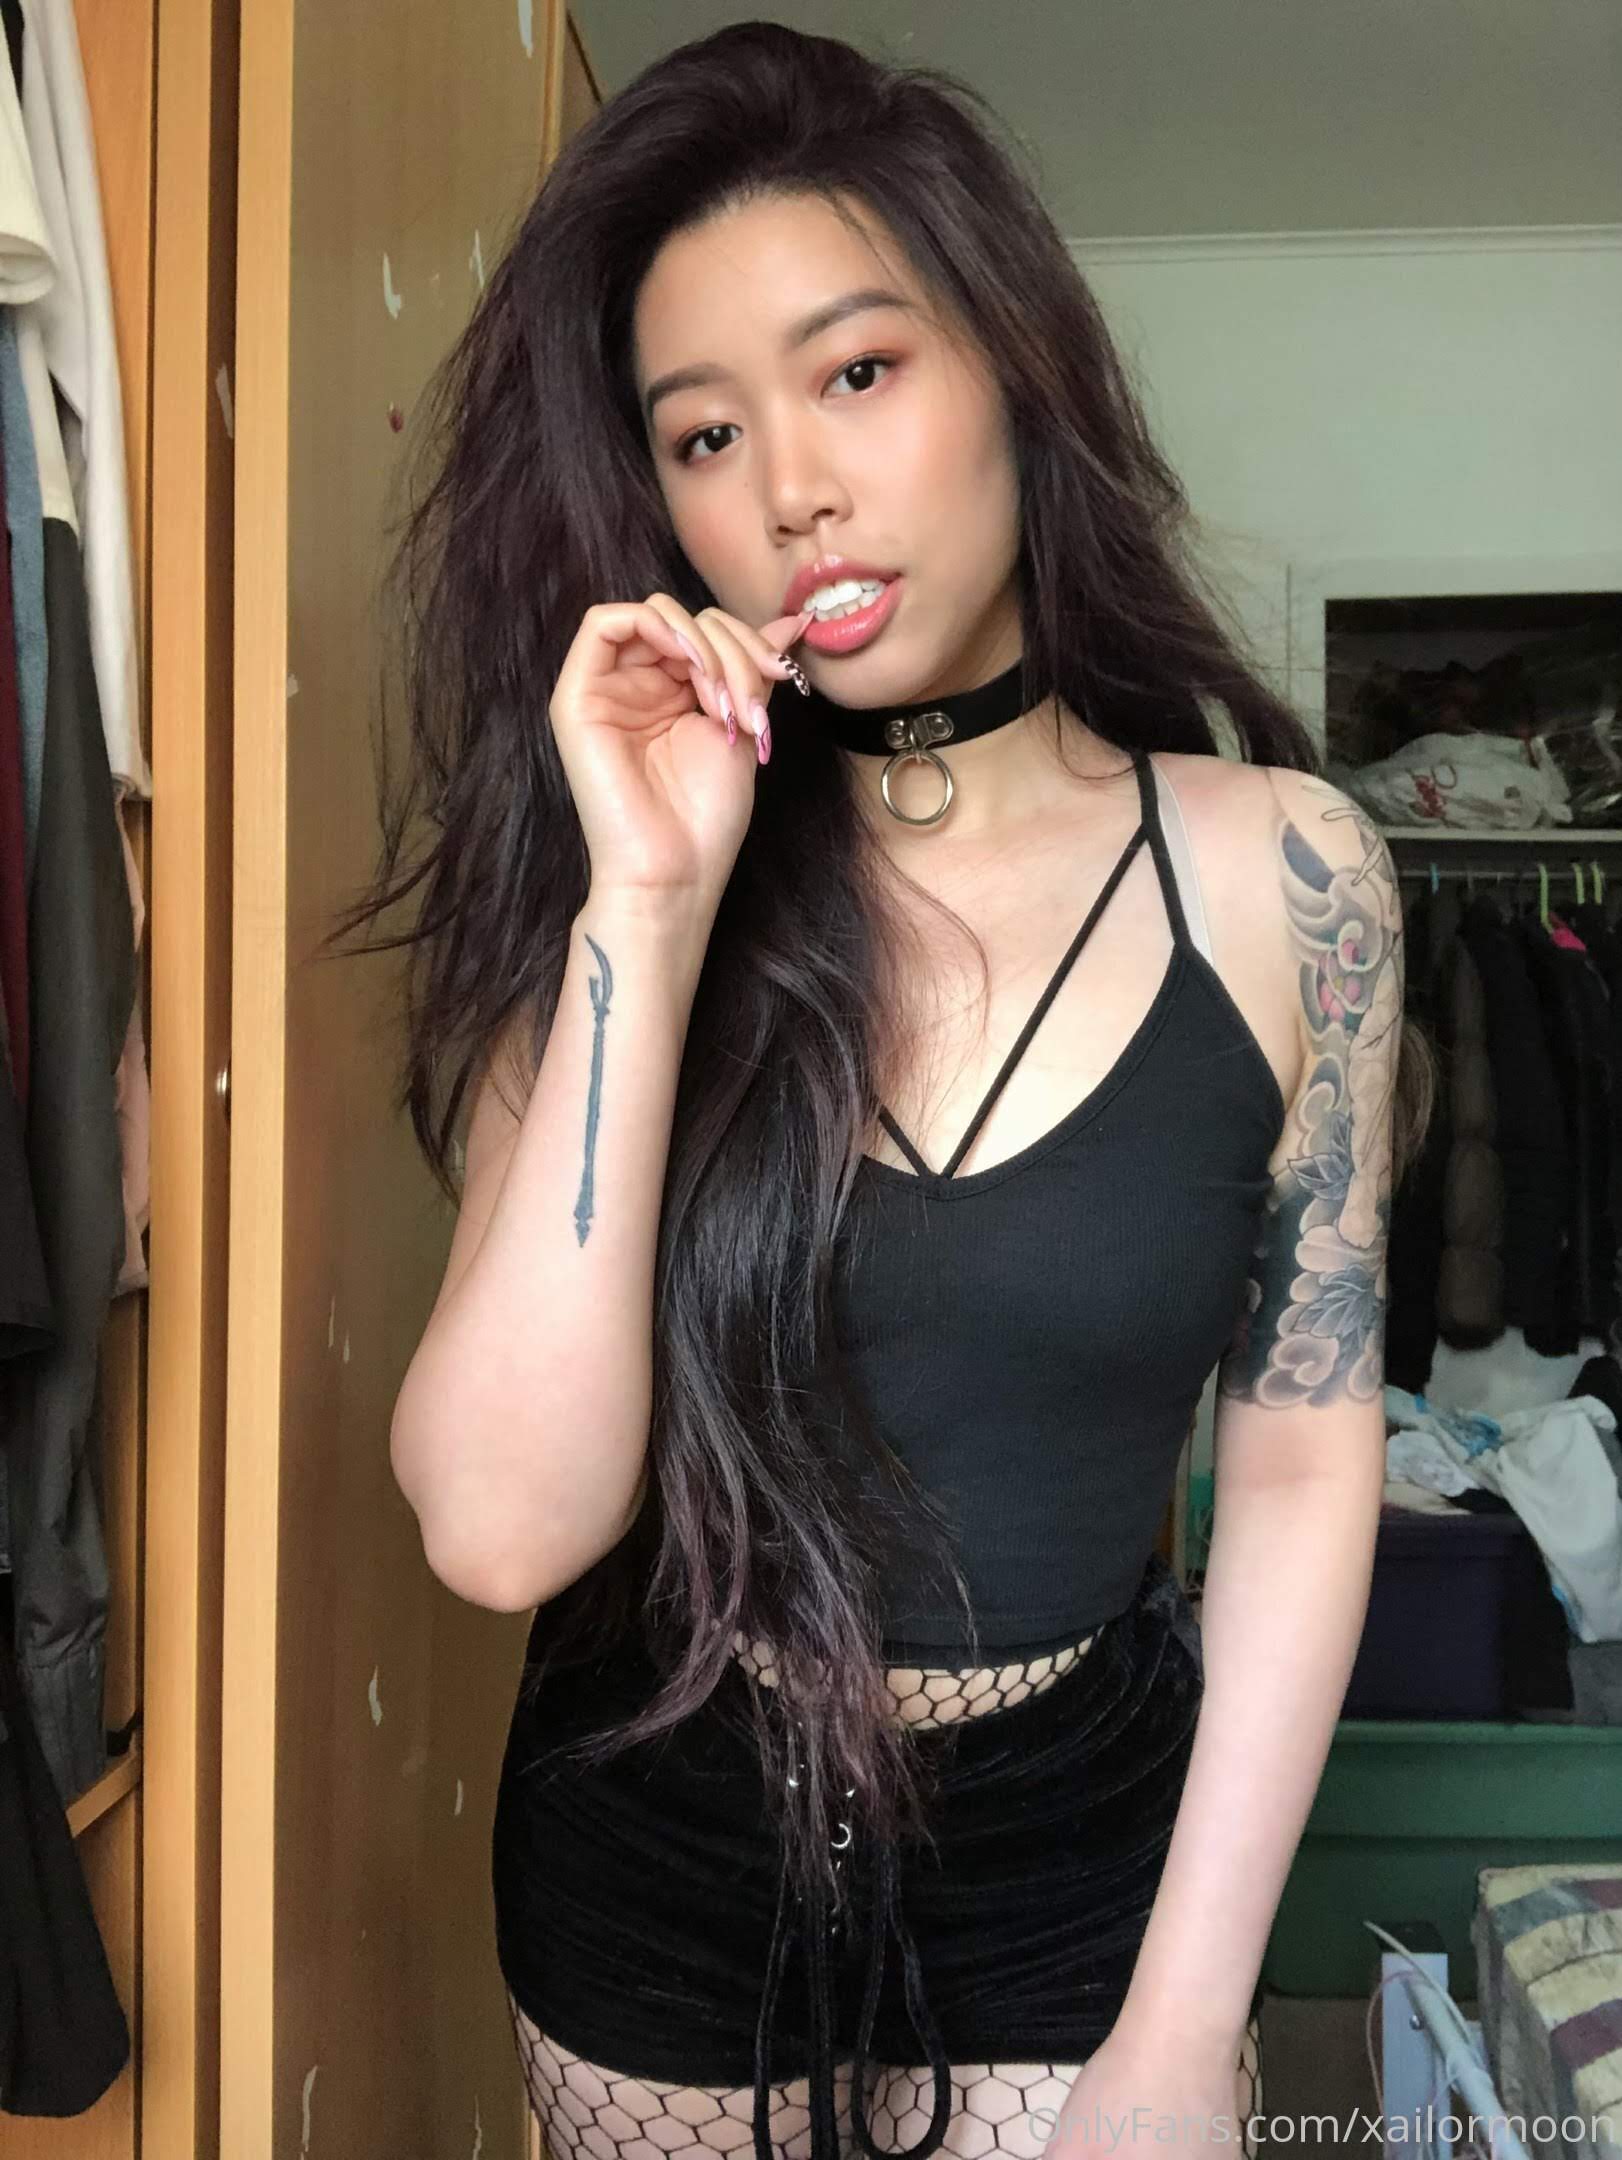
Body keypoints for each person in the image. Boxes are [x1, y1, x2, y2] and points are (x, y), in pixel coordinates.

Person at [334, 22, 1434, 2160]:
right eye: (703, 432)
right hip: (658, 1848)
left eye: (854, 373)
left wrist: (1188, 2018)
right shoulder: (607, 891)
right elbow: (498, 1529)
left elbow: (1303, 1460)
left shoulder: (1286, 875)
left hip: (1081, 1856)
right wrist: (647, 910)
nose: (789, 491)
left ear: (1012, 365)